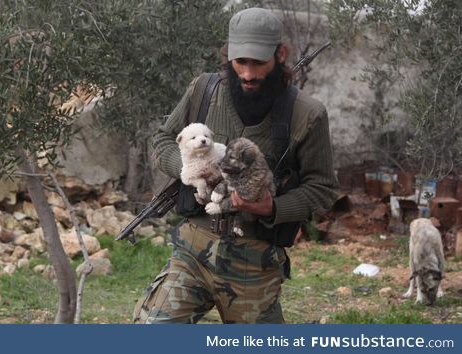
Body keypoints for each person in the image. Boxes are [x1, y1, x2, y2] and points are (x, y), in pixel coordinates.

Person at [134, 7, 337, 324]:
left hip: (254, 261)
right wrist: (188, 170)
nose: (248, 74)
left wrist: (272, 207)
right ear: (228, 55)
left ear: (280, 54)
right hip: (192, 249)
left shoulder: (307, 114)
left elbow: (322, 188)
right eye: (240, 62)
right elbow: (162, 140)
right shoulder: (203, 91)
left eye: (259, 63)